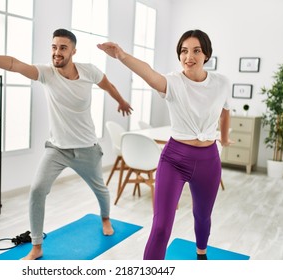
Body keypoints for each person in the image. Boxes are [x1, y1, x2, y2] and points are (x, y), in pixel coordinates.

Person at [0, 28, 132, 260]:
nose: (57, 52)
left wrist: (122, 101)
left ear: (73, 51)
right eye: (54, 47)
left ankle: (105, 218)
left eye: (63, 47)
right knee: (37, 190)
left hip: (87, 147)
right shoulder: (47, 73)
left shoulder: (89, 71)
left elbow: (108, 86)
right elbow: (13, 64)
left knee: (100, 189)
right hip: (56, 149)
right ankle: (37, 246)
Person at [98, 29, 232, 260]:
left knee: (202, 216)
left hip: (208, 160)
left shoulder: (221, 83)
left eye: (196, 51)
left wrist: (225, 137)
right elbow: (148, 73)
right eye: (184, 51)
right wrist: (121, 55)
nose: (189, 56)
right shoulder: (172, 82)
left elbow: (226, 110)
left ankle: (201, 255)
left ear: (206, 55)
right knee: (161, 227)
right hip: (175, 159)